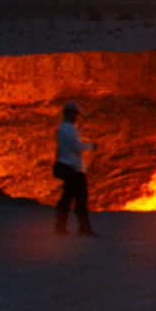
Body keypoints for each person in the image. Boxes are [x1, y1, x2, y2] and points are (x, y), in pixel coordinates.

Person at [54, 101, 98, 237]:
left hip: (68, 166)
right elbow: (76, 147)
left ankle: (61, 227)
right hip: (74, 169)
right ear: (71, 114)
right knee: (80, 199)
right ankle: (83, 229)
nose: (77, 117)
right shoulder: (69, 129)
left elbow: (62, 148)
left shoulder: (63, 129)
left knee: (67, 198)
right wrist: (91, 147)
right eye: (76, 114)